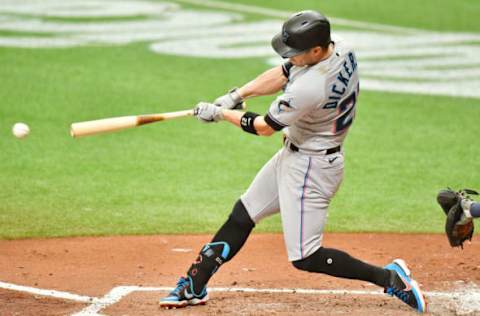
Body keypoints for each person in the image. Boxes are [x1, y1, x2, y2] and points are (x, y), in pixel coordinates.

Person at [159, 10, 427, 313]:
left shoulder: (310, 88)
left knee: (306, 257)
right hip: (296, 153)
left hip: (312, 169)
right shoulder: (340, 46)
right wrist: (236, 95)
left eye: (296, 53)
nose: (291, 58)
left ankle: (390, 277)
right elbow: (285, 71)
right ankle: (194, 285)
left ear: (315, 50)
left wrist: (220, 114)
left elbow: (263, 127)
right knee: (243, 214)